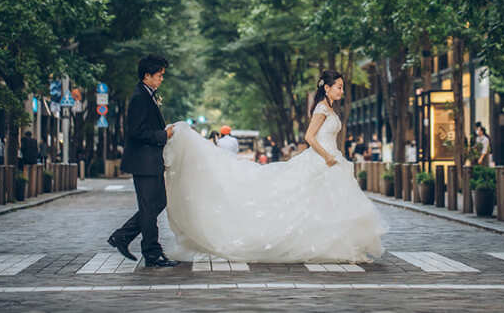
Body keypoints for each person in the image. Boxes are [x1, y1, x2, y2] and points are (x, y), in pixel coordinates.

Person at [162, 69, 385, 262]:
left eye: (342, 87)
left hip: (331, 159)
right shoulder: (321, 109)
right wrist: (326, 156)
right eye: (338, 87)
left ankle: (341, 245)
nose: (341, 91)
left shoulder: (330, 108)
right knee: (311, 203)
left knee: (332, 204)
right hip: (322, 159)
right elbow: (309, 136)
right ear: (326, 88)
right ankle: (321, 244)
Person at [108, 54, 179, 268]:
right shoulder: (140, 97)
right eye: (159, 75)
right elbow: (136, 132)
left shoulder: (148, 95)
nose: (161, 79)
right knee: (150, 207)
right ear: (147, 75)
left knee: (157, 204)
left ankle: (122, 236)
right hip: (143, 162)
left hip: (150, 161)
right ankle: (151, 253)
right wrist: (163, 135)